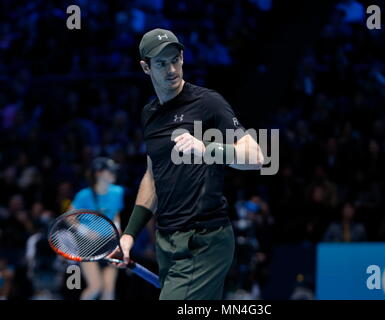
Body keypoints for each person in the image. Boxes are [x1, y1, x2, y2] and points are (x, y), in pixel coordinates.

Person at [109, 28, 264, 300]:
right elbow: (152, 176)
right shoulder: (149, 114)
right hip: (166, 243)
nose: (171, 69)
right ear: (146, 68)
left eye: (175, 60)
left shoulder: (208, 104)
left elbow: (256, 157)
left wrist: (208, 148)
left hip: (204, 240)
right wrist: (130, 234)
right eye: (161, 63)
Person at [71, 157, 124, 300]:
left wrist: (117, 227)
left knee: (109, 289)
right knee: (95, 287)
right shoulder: (83, 195)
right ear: (98, 174)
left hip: (110, 244)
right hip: (87, 246)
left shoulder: (118, 192)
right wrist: (85, 231)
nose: (114, 173)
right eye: (110, 170)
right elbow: (69, 218)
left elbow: (116, 214)